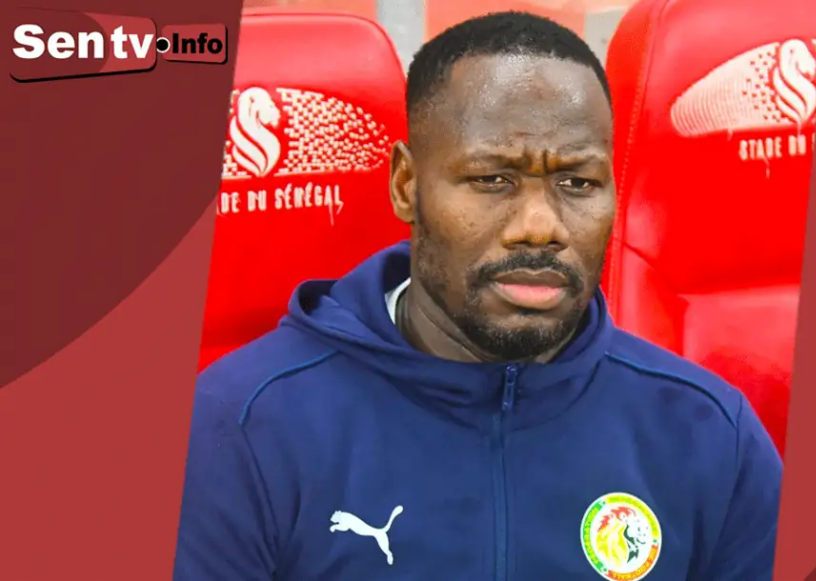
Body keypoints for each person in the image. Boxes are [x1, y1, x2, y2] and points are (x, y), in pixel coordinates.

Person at [173, 11, 782, 581]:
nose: (540, 227)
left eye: (578, 182)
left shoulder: (709, 432)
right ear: (407, 184)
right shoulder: (240, 429)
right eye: (492, 179)